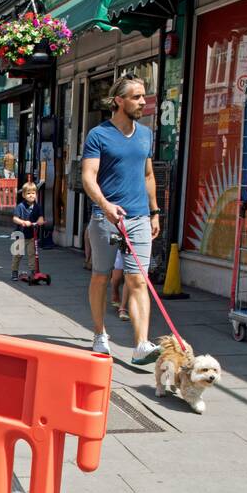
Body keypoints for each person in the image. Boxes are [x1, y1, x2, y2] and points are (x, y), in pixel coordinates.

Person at [81, 74, 161, 363]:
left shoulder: (145, 134)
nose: (143, 102)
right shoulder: (99, 135)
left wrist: (154, 211)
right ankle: (100, 334)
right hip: (106, 219)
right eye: (137, 97)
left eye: (143, 96)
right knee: (101, 277)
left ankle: (141, 345)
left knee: (138, 280)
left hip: (139, 217)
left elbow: (148, 175)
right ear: (119, 101)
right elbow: (88, 176)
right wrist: (104, 205)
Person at [10, 178, 44, 280]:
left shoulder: (37, 207)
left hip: (31, 235)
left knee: (32, 254)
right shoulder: (20, 206)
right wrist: (23, 222)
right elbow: (15, 218)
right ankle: (14, 271)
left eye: (33, 193)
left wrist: (40, 220)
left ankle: (33, 271)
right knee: (18, 254)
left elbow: (40, 216)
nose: (31, 195)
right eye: (28, 193)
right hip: (20, 234)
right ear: (24, 195)